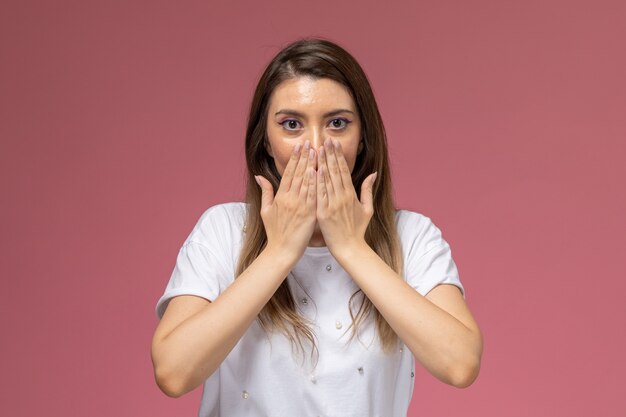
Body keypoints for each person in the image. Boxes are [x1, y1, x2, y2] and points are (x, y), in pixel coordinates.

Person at [151, 38, 483, 417]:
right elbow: (173, 373)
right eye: (291, 125)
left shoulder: (412, 235)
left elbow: (460, 364)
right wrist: (279, 252)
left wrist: (352, 248)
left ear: (363, 140)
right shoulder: (223, 230)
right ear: (265, 143)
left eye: (337, 124)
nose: (315, 146)